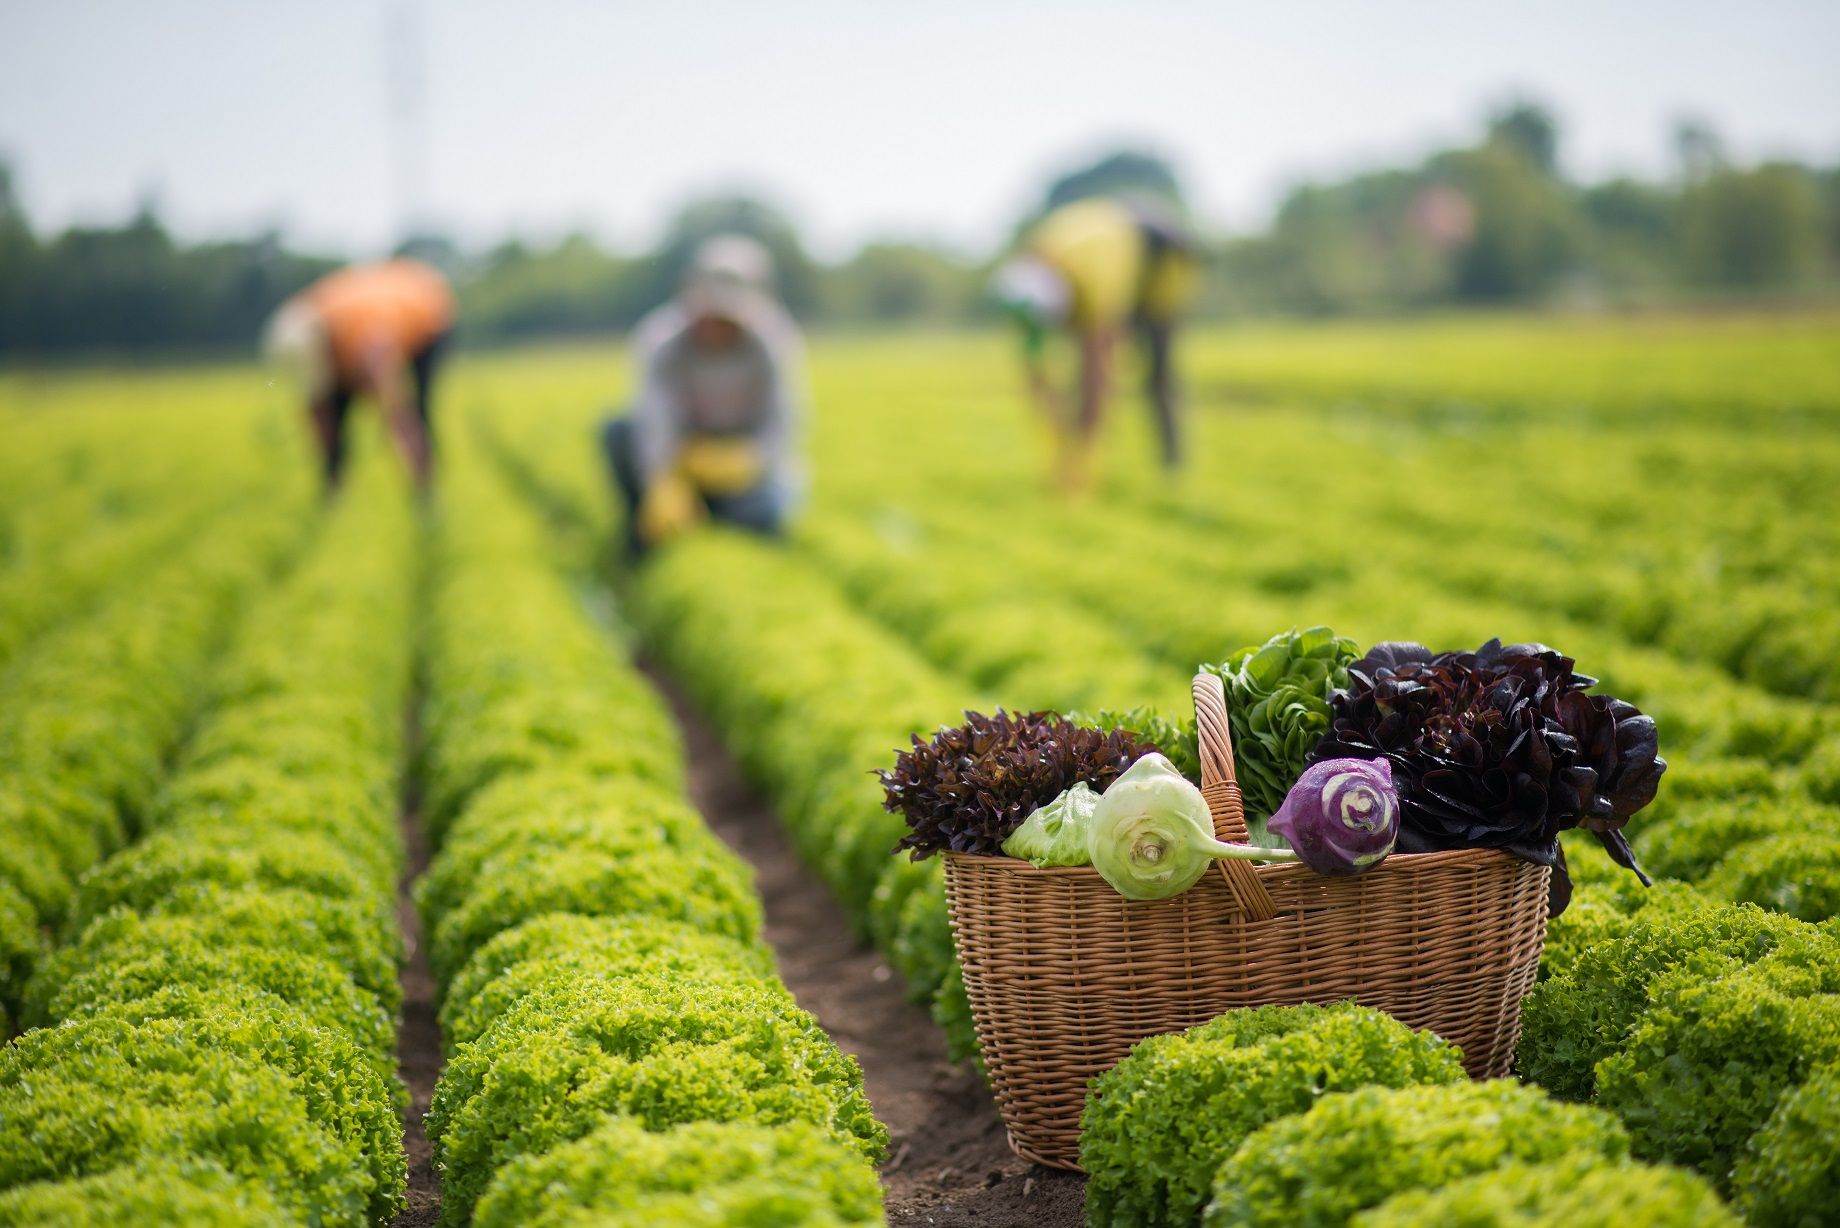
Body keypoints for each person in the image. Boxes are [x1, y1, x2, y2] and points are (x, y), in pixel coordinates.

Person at [600, 234, 803, 555]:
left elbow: (783, 418)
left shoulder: (770, 340)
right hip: (682, 449)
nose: (715, 326)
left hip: (740, 454)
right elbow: (654, 414)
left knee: (762, 515)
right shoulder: (661, 339)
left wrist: (752, 459)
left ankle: (716, 517)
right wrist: (662, 477)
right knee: (617, 431)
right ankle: (642, 536)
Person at [994, 195, 1200, 488]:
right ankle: (1075, 458)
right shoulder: (1029, 284)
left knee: (1157, 375)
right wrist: (1057, 436)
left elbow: (1099, 372)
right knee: (1077, 379)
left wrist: (1082, 457)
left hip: (1164, 266)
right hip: (1110, 253)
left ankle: (1173, 470)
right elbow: (1034, 367)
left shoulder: (1096, 280)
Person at [263, 257, 455, 491]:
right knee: (334, 408)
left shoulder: (369, 342)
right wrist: (327, 448)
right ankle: (333, 491)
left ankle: (426, 490)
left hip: (428, 313)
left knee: (418, 409)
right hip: (365, 324)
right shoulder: (297, 326)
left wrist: (405, 445)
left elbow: (397, 411)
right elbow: (316, 406)